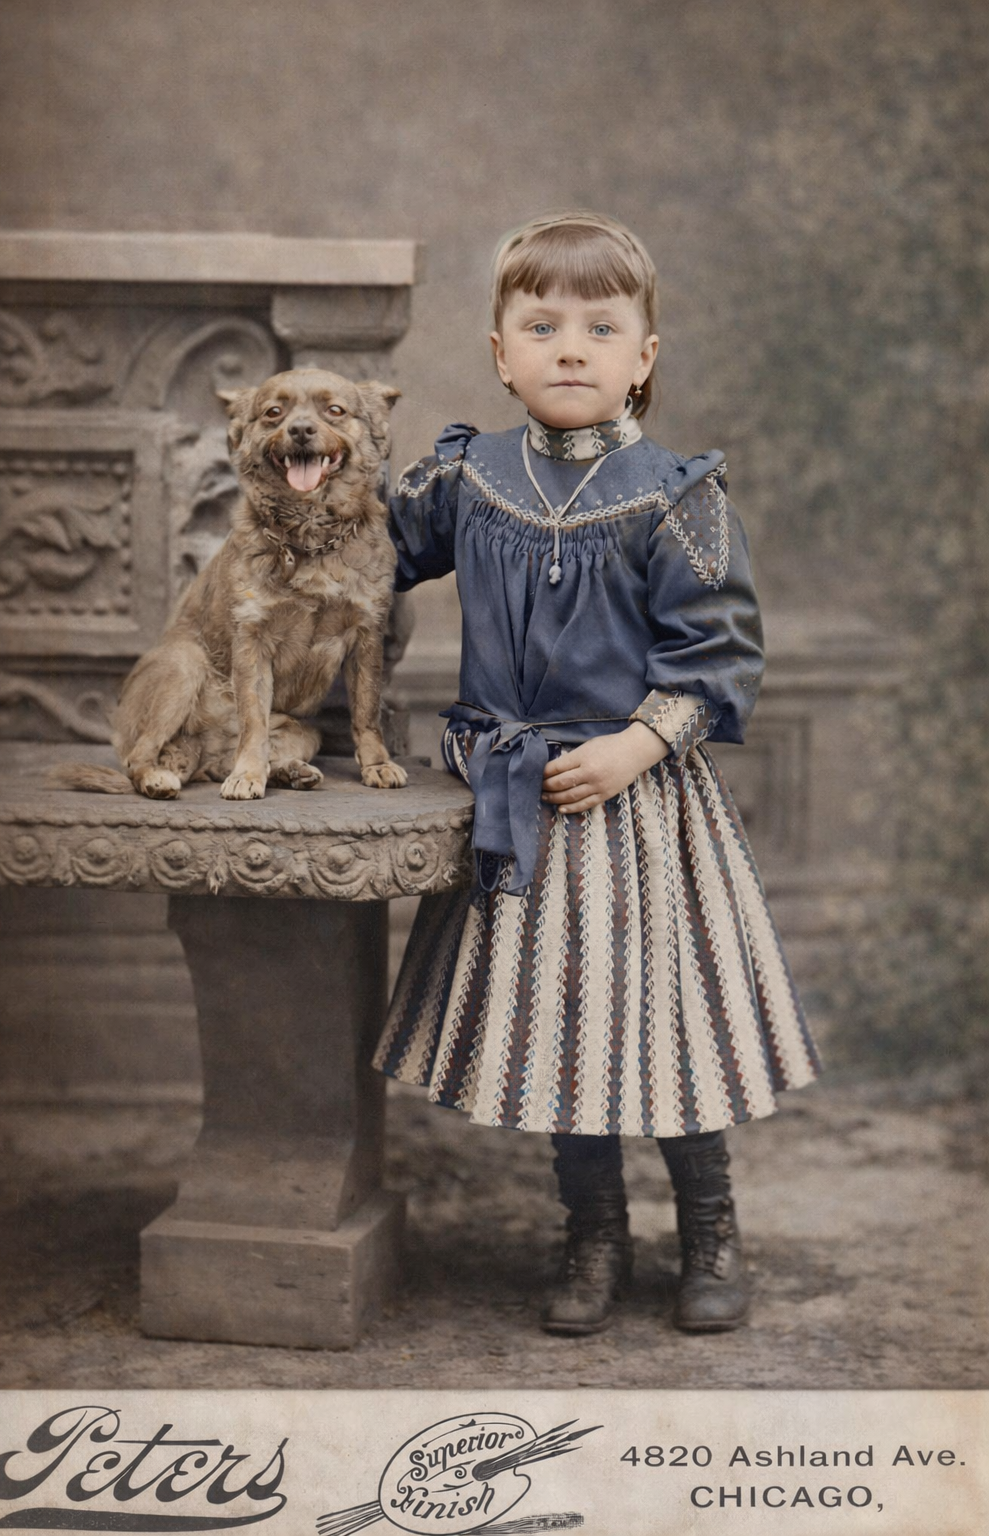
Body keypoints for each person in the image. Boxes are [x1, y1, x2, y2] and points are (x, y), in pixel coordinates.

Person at [373, 210, 820, 1337]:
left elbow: (719, 652)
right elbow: (369, 552)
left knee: (662, 1024)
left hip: (638, 807)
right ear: (499, 352)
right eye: (541, 326)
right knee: (564, 1033)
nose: (569, 349)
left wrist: (634, 745)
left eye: (600, 328)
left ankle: (708, 1228)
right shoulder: (469, 477)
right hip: (522, 804)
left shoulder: (675, 494)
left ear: (643, 357)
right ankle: (593, 1235)